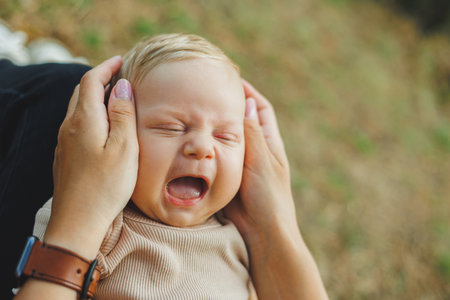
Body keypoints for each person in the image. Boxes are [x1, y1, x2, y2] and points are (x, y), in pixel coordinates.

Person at [8, 35, 328, 299]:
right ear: (114, 135)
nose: (203, 148)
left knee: (61, 84)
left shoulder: (237, 238)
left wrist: (273, 224)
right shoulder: (106, 222)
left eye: (225, 136)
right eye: (171, 128)